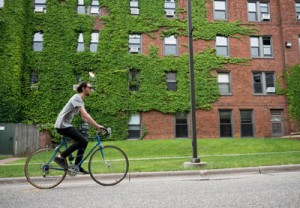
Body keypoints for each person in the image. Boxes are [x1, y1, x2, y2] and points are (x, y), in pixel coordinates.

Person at [54, 81, 104, 174]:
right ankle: (60, 157)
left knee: (84, 142)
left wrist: (93, 125)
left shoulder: (80, 101)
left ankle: (77, 166)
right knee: (83, 141)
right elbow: (85, 115)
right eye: (90, 87)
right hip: (62, 125)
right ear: (83, 88)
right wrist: (97, 126)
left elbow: (84, 118)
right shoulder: (76, 97)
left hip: (65, 125)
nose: (91, 89)